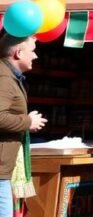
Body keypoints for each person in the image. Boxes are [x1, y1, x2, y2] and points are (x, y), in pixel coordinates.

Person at [0, 35, 46, 217]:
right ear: (18, 53)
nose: (35, 56)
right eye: (32, 51)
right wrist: (27, 122)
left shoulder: (9, 76)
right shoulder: (4, 78)